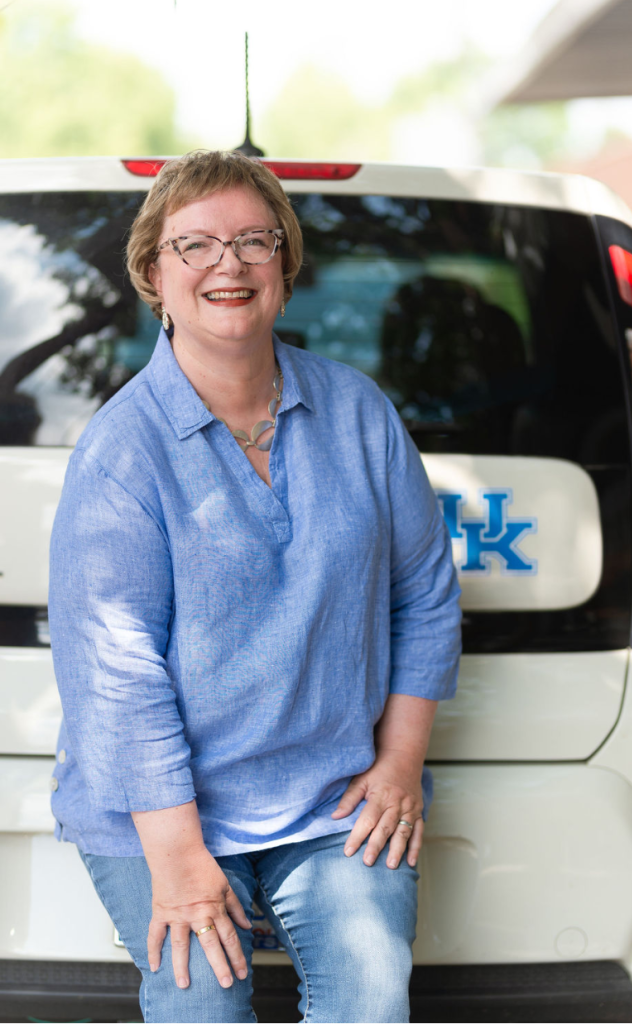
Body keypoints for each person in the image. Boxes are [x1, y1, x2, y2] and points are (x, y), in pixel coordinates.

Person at [48, 149, 462, 1024]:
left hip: (328, 794)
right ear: (153, 274)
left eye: (252, 241)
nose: (227, 264)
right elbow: (117, 675)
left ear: (285, 262)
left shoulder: (357, 412)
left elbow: (422, 591)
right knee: (205, 1007)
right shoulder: (123, 452)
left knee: (370, 1000)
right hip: (159, 804)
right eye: (194, 246)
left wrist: (398, 762)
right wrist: (180, 858)